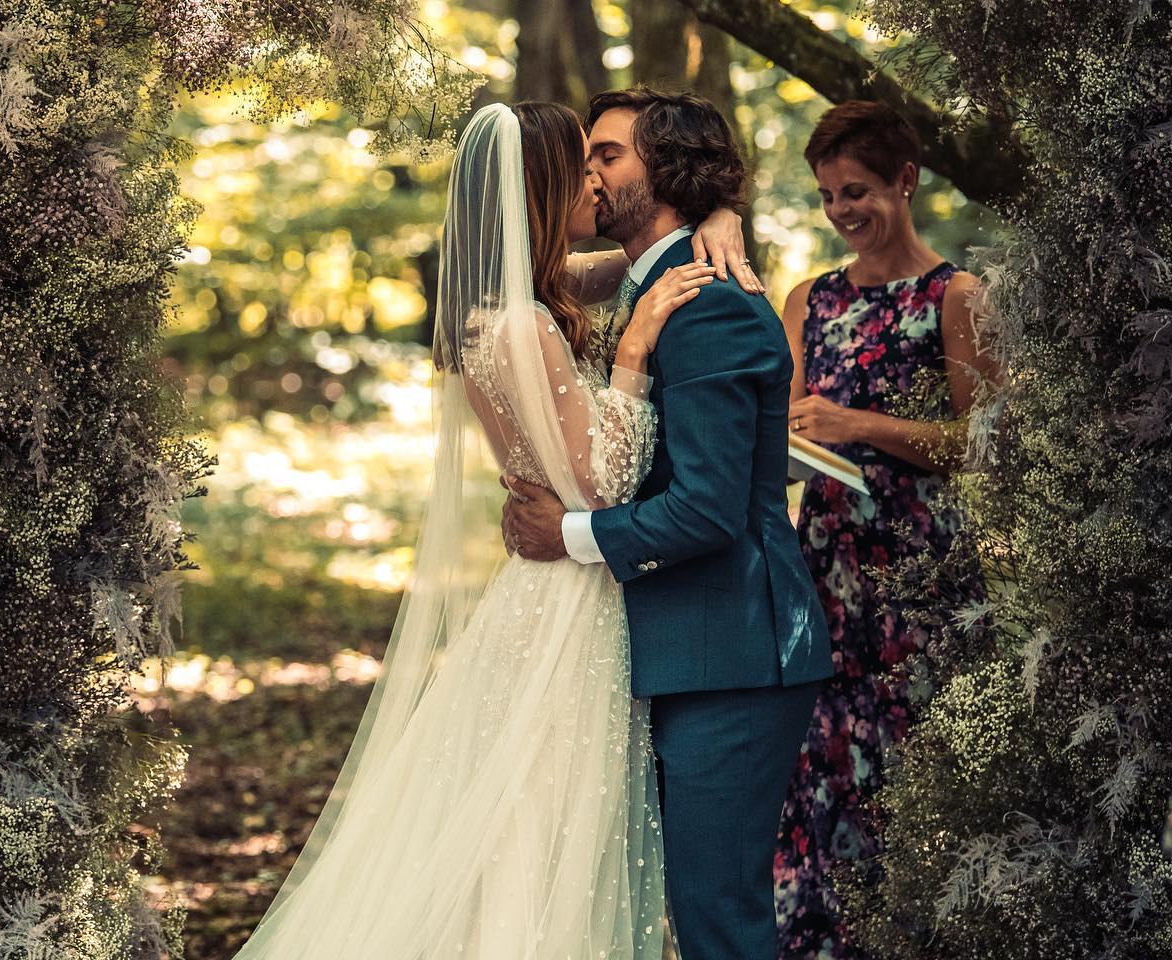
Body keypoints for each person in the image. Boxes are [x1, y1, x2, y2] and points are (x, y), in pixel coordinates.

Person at [227, 99, 755, 959]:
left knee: (544, 828)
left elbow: (628, 259)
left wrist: (719, 210)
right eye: (581, 166)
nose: (595, 180)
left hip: (555, 591)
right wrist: (633, 356)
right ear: (544, 185)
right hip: (568, 605)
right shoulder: (522, 324)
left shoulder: (515, 300)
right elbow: (601, 480)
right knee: (547, 831)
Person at [503, 87, 833, 960]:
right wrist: (720, 209)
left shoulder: (711, 301)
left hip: (733, 654)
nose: (589, 176)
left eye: (606, 155)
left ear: (669, 171)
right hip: (669, 646)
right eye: (582, 162)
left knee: (716, 918)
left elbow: (709, 509)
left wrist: (564, 538)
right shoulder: (639, 283)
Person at [773, 100, 997, 960]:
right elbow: (790, 421)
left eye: (857, 190)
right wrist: (796, 434)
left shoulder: (957, 297)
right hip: (824, 571)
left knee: (915, 773)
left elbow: (980, 446)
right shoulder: (811, 300)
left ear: (907, 181)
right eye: (829, 196)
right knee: (820, 769)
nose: (842, 212)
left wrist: (860, 425)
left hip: (920, 580)